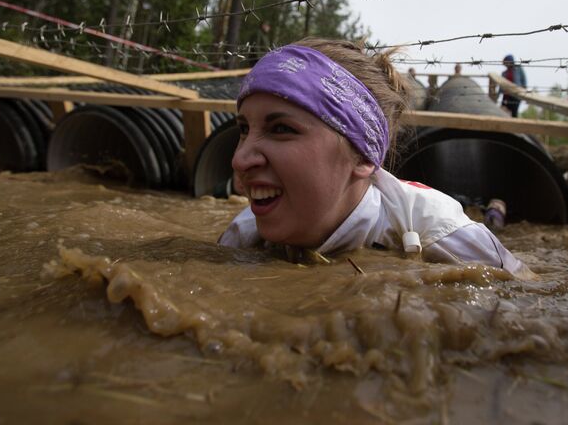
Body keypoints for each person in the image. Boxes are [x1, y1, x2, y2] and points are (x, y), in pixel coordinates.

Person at [219, 38, 533, 278]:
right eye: (244, 129)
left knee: (488, 218)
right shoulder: (245, 231)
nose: (239, 159)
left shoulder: (447, 237)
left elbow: (526, 292)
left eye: (281, 129)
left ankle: (495, 209)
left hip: (434, 206)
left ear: (362, 158)